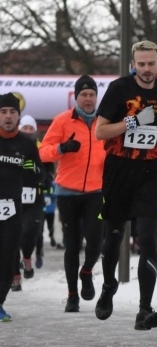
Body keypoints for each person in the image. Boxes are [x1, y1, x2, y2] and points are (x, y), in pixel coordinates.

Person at [94, 40, 157, 331]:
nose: (146, 69)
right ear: (133, 64)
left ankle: (144, 310)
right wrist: (130, 123)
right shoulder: (119, 89)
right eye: (140, 64)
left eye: (150, 64)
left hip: (150, 171)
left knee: (147, 238)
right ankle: (108, 285)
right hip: (119, 169)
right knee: (114, 236)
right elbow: (99, 131)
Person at [39, 75, 107, 313]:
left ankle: (86, 271)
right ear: (76, 97)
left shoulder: (105, 121)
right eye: (83, 95)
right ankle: (72, 296)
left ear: (96, 97)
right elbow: (43, 152)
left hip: (96, 192)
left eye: (91, 95)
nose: (88, 99)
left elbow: (115, 150)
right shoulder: (62, 121)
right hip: (67, 192)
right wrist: (62, 148)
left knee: (96, 241)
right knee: (72, 244)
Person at [0, 93, 43, 321]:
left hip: (12, 211)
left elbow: (40, 173)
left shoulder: (27, 144)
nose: (8, 116)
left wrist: (32, 169)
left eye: (12, 112)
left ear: (18, 116)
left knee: (7, 261)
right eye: (3, 112)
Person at [15, 115, 45, 289]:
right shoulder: (10, 145)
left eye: (30, 129)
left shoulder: (40, 148)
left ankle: (27, 258)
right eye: (24, 128)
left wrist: (35, 169)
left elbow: (46, 172)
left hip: (34, 197)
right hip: (12, 196)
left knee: (30, 232)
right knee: (11, 237)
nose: (27, 132)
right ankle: (15, 276)